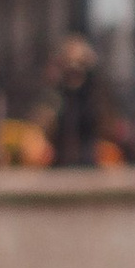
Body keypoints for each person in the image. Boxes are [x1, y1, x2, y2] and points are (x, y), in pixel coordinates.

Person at [49, 32, 101, 171]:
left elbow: (105, 123)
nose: (74, 67)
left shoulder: (94, 92)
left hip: (89, 161)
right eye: (69, 61)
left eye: (79, 62)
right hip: (58, 162)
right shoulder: (55, 93)